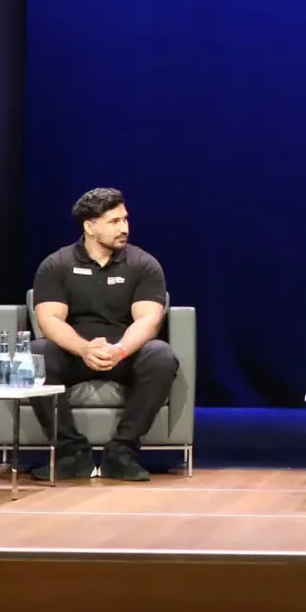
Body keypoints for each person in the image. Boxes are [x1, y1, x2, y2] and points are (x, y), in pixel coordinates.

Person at [30, 188, 178, 482]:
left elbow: (148, 320)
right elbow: (49, 320)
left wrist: (120, 350)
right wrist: (85, 349)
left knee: (161, 356)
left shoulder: (143, 264)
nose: (124, 228)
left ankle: (121, 453)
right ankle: (71, 454)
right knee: (36, 354)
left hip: (125, 354)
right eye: (114, 222)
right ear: (90, 226)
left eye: (125, 220)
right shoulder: (57, 264)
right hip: (75, 353)